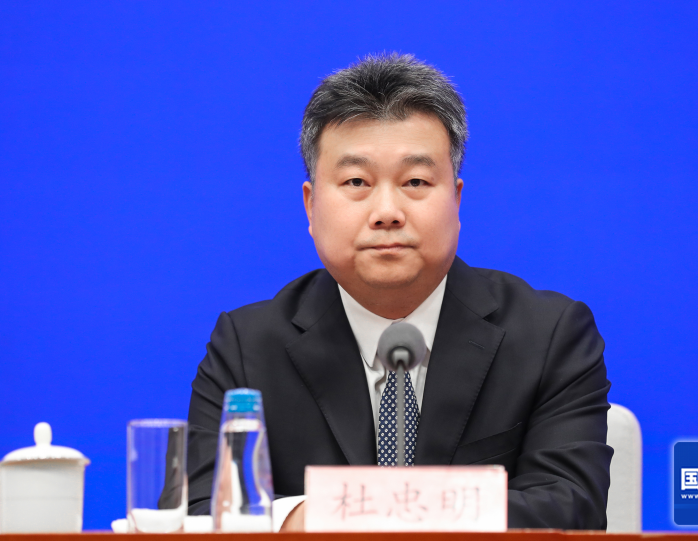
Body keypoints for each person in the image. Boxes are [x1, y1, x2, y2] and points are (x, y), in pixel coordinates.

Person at [187, 53, 613, 530]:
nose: (387, 211)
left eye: (415, 181)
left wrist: (362, 514)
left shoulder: (549, 335)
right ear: (310, 205)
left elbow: (572, 509)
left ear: (456, 199)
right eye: (356, 182)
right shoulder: (246, 347)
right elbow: (202, 513)